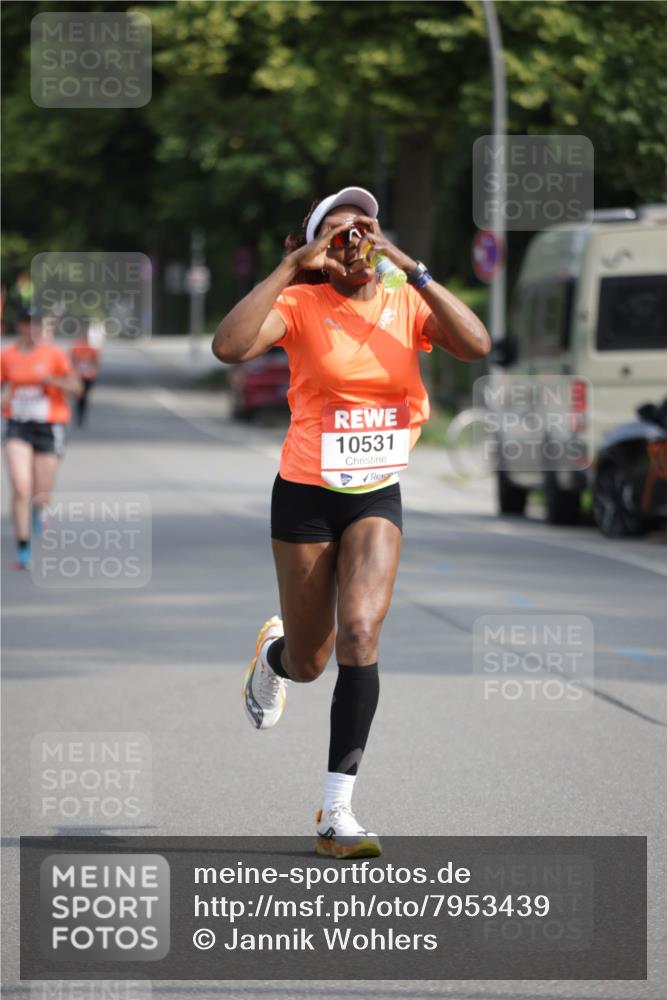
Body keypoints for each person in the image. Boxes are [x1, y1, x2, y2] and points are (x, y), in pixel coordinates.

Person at [213, 186, 490, 858]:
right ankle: (274, 656)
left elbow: (475, 344)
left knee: (361, 632)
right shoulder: (300, 304)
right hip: (305, 494)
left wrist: (409, 263)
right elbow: (229, 346)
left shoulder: (403, 299)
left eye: (364, 228)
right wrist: (290, 267)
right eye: (338, 233)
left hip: (375, 495)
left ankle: (337, 813)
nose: (355, 241)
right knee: (309, 663)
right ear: (315, 248)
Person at [1, 307, 82, 569]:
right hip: (18, 425)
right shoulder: (7, 356)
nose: (32, 329)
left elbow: (77, 388)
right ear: (21, 327)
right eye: (27, 324)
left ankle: (39, 508)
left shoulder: (55, 355)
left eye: (36, 324)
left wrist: (55, 381)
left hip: (49, 427)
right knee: (20, 485)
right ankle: (23, 549)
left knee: (41, 493)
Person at [69, 327, 101, 427]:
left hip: (88, 376)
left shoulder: (93, 349)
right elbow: (71, 360)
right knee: (78, 397)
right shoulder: (75, 347)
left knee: (84, 398)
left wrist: (92, 371)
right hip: (78, 376)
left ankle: (81, 418)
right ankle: (78, 417)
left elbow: (96, 362)